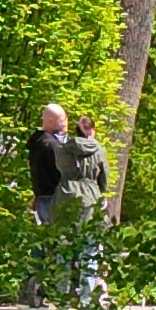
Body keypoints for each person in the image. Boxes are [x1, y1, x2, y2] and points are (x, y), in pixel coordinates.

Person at [54, 113, 112, 299]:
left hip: (66, 194)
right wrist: (99, 190)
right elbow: (104, 178)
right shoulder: (99, 150)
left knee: (64, 243)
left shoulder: (64, 149)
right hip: (90, 196)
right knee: (90, 246)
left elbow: (60, 169)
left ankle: (61, 292)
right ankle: (87, 295)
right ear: (92, 130)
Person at [23, 104, 69, 305]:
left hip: (41, 197)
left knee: (41, 245)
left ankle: (32, 283)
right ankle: (60, 290)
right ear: (50, 121)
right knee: (61, 244)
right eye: (62, 119)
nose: (65, 123)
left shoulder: (36, 144)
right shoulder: (51, 146)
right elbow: (61, 175)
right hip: (54, 199)